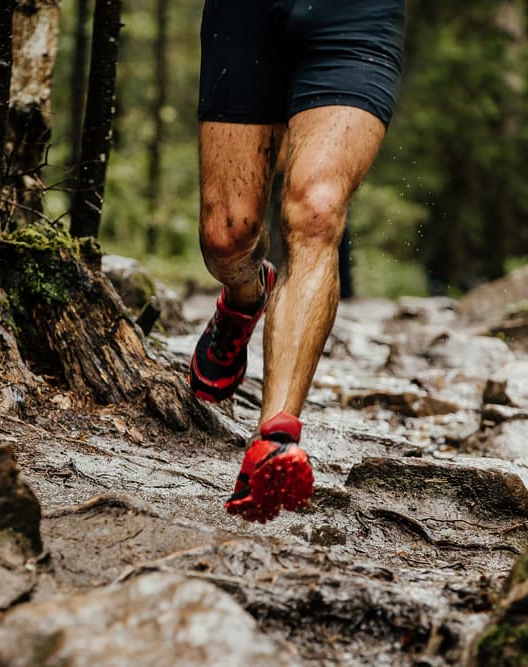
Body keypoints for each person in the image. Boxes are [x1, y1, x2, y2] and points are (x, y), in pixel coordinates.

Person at [189, 0, 406, 523]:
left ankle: (274, 442)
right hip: (246, 15)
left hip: (356, 17)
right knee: (227, 235)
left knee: (317, 209)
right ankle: (245, 296)